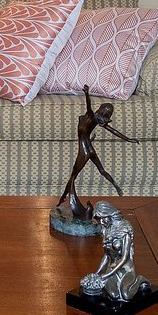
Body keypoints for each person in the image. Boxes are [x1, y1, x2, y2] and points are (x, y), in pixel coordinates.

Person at [57, 87, 136, 224]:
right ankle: (116, 186)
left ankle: (62, 198)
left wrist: (87, 94)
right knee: (101, 170)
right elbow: (112, 130)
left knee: (73, 176)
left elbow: (88, 106)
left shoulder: (91, 117)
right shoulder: (95, 120)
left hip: (84, 151)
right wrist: (128, 139)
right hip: (90, 148)